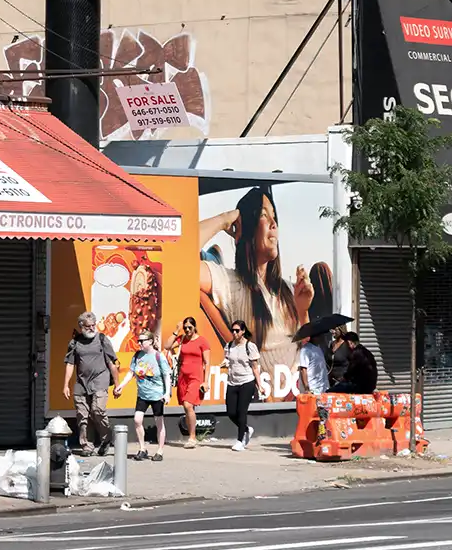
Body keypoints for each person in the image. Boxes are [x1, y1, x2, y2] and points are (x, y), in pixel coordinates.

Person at [199, 186, 315, 385]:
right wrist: (224, 219)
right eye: (264, 215)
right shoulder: (230, 283)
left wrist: (303, 311)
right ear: (248, 227)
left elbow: (305, 348)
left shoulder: (288, 289)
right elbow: (178, 253)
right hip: (263, 402)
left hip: (296, 400)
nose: (273, 224)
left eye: (274, 217)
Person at [63, 311, 119, 455]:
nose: (92, 328)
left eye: (94, 325)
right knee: (82, 415)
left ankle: (106, 438)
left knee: (98, 410)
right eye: (88, 326)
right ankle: (86, 446)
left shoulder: (102, 339)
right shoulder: (75, 343)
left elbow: (112, 363)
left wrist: (117, 385)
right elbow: (70, 364)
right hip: (81, 382)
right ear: (81, 326)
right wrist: (65, 385)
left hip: (100, 379)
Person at [113, 329, 172, 461]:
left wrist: (166, 393)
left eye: (142, 341)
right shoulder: (137, 355)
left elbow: (166, 375)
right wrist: (121, 386)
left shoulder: (159, 356)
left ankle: (160, 451)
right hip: (143, 394)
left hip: (157, 395)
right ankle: (142, 448)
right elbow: (131, 373)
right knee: (137, 419)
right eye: (138, 341)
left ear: (150, 342)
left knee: (159, 422)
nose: (139, 343)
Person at [167, 316, 210, 448]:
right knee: (187, 408)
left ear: (195, 327)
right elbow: (167, 346)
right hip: (183, 377)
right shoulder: (182, 339)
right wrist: (176, 331)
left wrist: (206, 381)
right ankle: (191, 435)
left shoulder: (202, 341)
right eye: (185, 328)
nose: (187, 330)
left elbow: (207, 362)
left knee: (188, 405)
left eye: (189, 327)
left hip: (196, 377)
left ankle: (192, 437)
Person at [223, 319, 263, 452]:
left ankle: (240, 441)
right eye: (232, 330)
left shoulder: (249, 346)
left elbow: (255, 368)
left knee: (242, 412)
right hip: (232, 382)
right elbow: (228, 360)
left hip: (247, 381)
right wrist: (225, 363)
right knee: (231, 412)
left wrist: (260, 385)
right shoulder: (229, 346)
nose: (234, 333)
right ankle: (246, 429)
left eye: (237, 330)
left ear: (243, 331)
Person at [296, 327, 331, 397]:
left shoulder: (318, 349)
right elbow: (303, 370)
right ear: (315, 337)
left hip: (322, 389)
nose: (322, 337)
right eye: (321, 335)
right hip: (313, 390)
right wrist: (307, 389)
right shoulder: (306, 349)